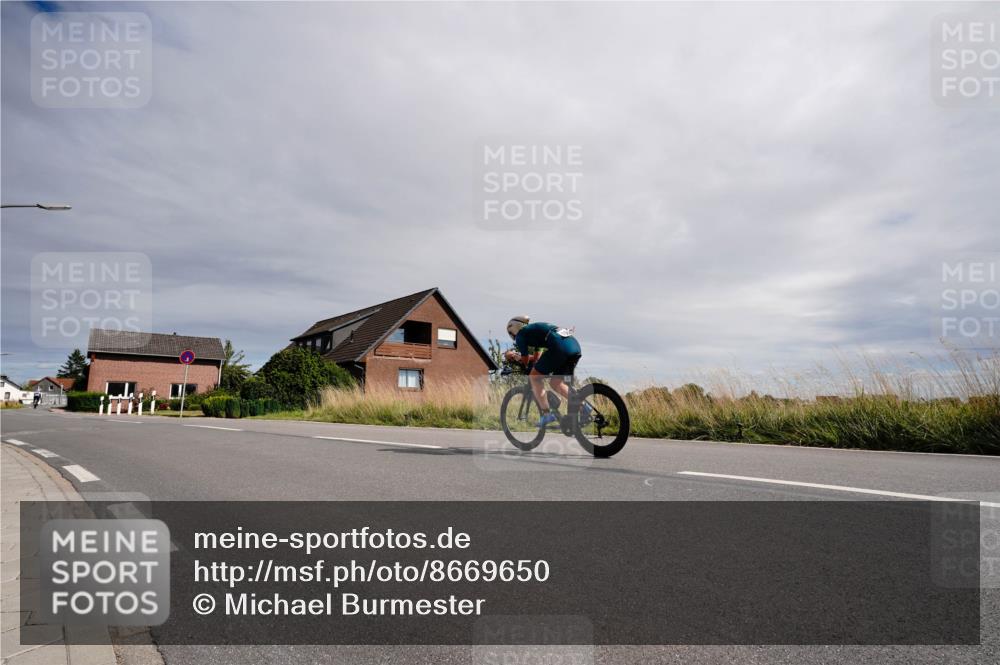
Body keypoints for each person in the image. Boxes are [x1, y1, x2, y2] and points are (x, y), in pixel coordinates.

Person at [503, 315, 585, 427]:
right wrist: (522, 358)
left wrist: (516, 357)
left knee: (534, 377)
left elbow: (525, 361)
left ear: (514, 328)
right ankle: (583, 407)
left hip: (559, 346)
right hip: (573, 346)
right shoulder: (534, 331)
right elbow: (536, 358)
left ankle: (547, 415)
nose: (512, 335)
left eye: (510, 333)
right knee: (556, 383)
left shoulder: (521, 335)